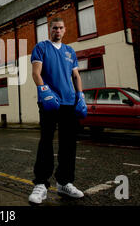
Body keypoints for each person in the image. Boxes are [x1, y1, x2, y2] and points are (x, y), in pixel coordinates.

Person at [28, 17, 87, 204]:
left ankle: (64, 182)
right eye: (54, 28)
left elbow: (76, 75)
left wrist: (81, 95)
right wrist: (43, 90)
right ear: (49, 29)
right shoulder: (41, 47)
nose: (58, 31)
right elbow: (36, 73)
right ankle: (41, 184)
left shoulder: (70, 51)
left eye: (61, 28)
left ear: (65, 30)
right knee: (46, 140)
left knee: (69, 143)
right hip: (49, 101)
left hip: (69, 102)